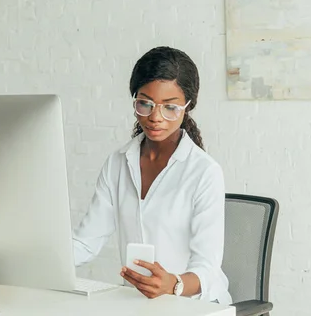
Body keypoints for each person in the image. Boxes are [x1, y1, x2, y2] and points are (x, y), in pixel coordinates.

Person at [72, 46, 232, 304]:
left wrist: (173, 284)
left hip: (193, 306)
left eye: (170, 108)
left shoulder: (204, 172)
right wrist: (35, 264)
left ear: (187, 107)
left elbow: (208, 268)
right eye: (145, 103)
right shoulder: (117, 163)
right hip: (137, 305)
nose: (155, 117)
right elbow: (86, 242)